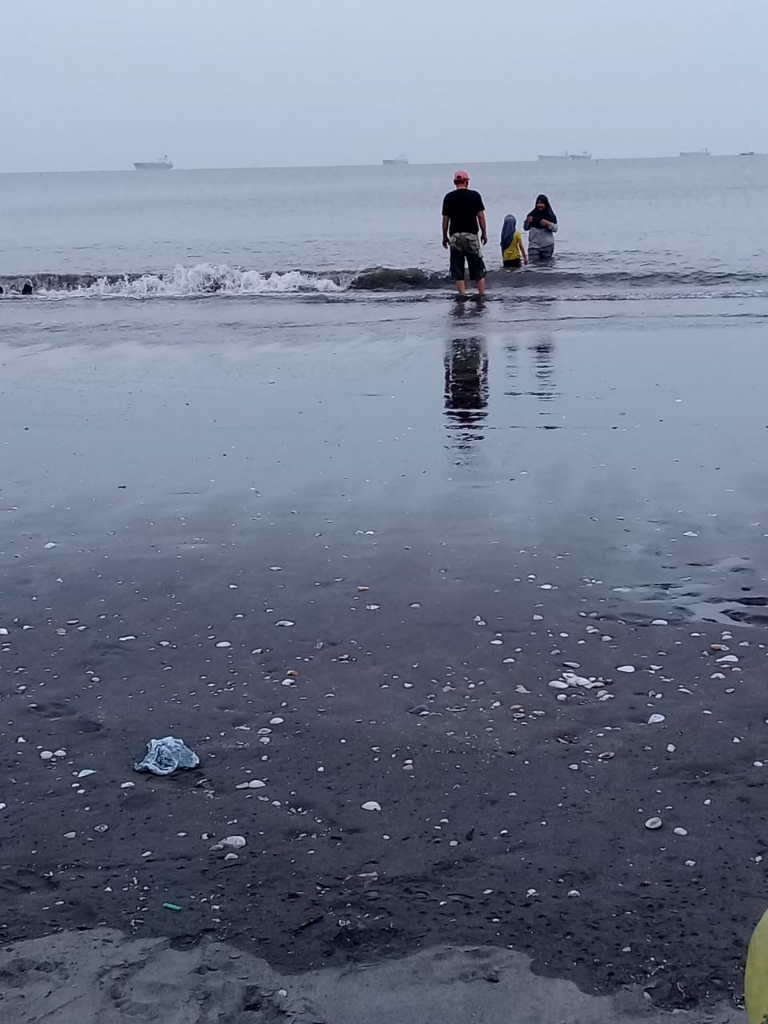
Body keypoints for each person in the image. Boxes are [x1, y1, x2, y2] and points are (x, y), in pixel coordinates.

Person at [441, 170, 488, 296]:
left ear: (455, 182)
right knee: (477, 267)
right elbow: (481, 217)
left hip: (455, 236)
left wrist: (444, 236)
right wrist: (484, 233)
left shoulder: (448, 197)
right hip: (471, 235)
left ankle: (462, 295)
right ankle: (481, 295)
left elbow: (445, 219)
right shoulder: (475, 196)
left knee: (458, 267)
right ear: (466, 182)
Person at [524, 194, 558, 261]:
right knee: (533, 266)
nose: (540, 205)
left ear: (546, 204)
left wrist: (548, 224)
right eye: (538, 203)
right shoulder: (531, 215)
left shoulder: (550, 216)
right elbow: (525, 228)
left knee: (546, 267)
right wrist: (527, 222)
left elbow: (555, 229)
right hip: (533, 246)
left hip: (547, 246)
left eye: (542, 203)